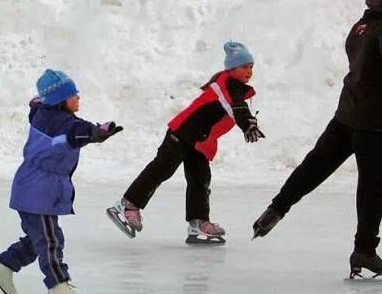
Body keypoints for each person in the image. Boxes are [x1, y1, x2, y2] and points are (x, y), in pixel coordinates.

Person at [251, 0, 382, 279]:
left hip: (345, 117)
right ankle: (364, 250)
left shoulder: (359, 29)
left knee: (313, 167)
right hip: (374, 127)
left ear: (369, 0)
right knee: (372, 191)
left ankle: (277, 208)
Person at [0, 69, 122, 294]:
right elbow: (76, 131)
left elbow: (37, 105)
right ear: (59, 100)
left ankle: (2, 270)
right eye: (72, 94)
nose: (78, 97)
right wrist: (96, 133)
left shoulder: (43, 114)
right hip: (38, 191)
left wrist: (39, 101)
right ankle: (58, 285)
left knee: (39, 240)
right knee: (51, 240)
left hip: (33, 188)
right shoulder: (59, 123)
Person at [106, 41, 265, 245]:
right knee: (162, 169)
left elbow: (237, 105)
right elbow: (235, 106)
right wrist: (247, 124)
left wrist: (248, 122)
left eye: (251, 67)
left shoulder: (236, 88)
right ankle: (127, 206)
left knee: (200, 179)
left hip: (200, 141)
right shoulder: (225, 85)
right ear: (231, 68)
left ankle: (198, 223)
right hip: (182, 132)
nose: (249, 71)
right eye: (245, 66)